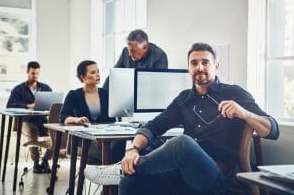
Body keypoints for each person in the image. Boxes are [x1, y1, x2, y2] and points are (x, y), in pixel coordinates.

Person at [87, 43, 280, 195]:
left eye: (205, 62)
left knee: (181, 144)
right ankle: (123, 169)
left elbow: (273, 129)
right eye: (194, 63)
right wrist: (132, 150)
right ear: (188, 68)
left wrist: (244, 113)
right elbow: (153, 127)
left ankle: (118, 169)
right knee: (131, 176)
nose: (200, 67)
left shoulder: (234, 93)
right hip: (183, 177)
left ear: (216, 66)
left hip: (219, 179)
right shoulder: (183, 99)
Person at [59, 60, 124, 164]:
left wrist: (102, 137)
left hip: (103, 138)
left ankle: (114, 173)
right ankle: (112, 173)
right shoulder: (74, 95)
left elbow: (111, 120)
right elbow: (63, 117)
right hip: (84, 140)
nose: (97, 75)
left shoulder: (105, 94)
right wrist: (77, 119)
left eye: (98, 71)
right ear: (83, 77)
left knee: (121, 143)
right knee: (113, 155)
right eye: (93, 73)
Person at [7, 61, 53, 173]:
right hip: (25, 122)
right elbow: (10, 105)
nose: (35, 76)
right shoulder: (19, 89)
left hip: (42, 121)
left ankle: (46, 160)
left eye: (37, 73)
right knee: (33, 131)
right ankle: (36, 163)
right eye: (33, 73)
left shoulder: (45, 87)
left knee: (57, 133)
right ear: (27, 72)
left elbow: (52, 103)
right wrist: (27, 106)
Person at [102, 29, 168, 90]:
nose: (130, 54)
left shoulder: (159, 56)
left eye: (134, 51)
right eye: (129, 50)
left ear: (145, 47)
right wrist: (102, 94)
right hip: (128, 92)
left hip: (149, 95)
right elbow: (114, 76)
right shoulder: (125, 52)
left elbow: (159, 86)